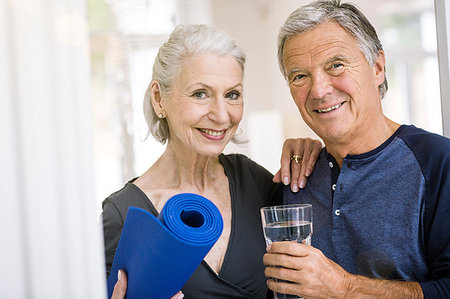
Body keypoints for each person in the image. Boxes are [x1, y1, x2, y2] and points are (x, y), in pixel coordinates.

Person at [103, 24, 322, 299]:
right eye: (200, 94)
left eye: (232, 95)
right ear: (159, 98)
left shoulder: (254, 181)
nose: (221, 115)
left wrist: (316, 153)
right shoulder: (122, 214)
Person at [263, 1, 450, 298]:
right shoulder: (294, 179)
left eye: (335, 65)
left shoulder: (438, 162)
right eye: (299, 75)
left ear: (377, 68)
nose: (319, 90)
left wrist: (344, 287)